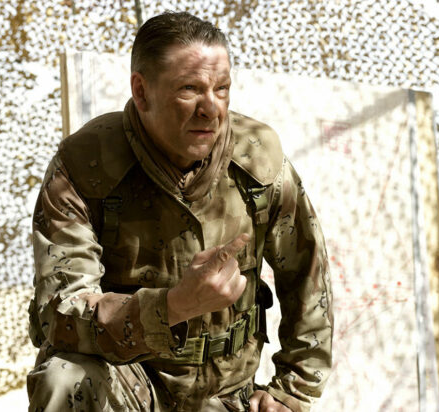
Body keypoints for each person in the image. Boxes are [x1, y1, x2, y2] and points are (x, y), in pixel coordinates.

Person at [26, 11, 333, 412]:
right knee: (64, 379)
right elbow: (60, 314)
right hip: (128, 385)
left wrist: (291, 391)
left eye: (222, 89)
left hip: (228, 396)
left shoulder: (258, 161)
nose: (211, 109)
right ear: (142, 91)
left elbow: (308, 276)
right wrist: (172, 306)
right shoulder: (86, 167)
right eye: (190, 89)